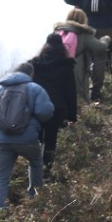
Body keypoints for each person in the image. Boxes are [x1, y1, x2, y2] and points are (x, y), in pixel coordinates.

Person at [0, 61, 55, 211]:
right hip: (27, 138)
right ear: (31, 74)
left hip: (2, 140)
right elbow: (45, 112)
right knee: (35, 162)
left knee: (1, 176)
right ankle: (34, 200)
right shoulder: (35, 89)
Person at [28, 32, 79, 174]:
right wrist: (72, 116)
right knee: (51, 139)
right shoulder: (66, 65)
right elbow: (70, 92)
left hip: (36, 107)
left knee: (36, 139)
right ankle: (46, 171)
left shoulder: (34, 64)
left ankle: (33, 170)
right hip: (56, 109)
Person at [54, 9, 107, 103]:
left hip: (57, 67)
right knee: (80, 95)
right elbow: (100, 47)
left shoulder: (58, 32)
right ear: (84, 20)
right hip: (77, 69)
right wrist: (105, 39)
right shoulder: (84, 34)